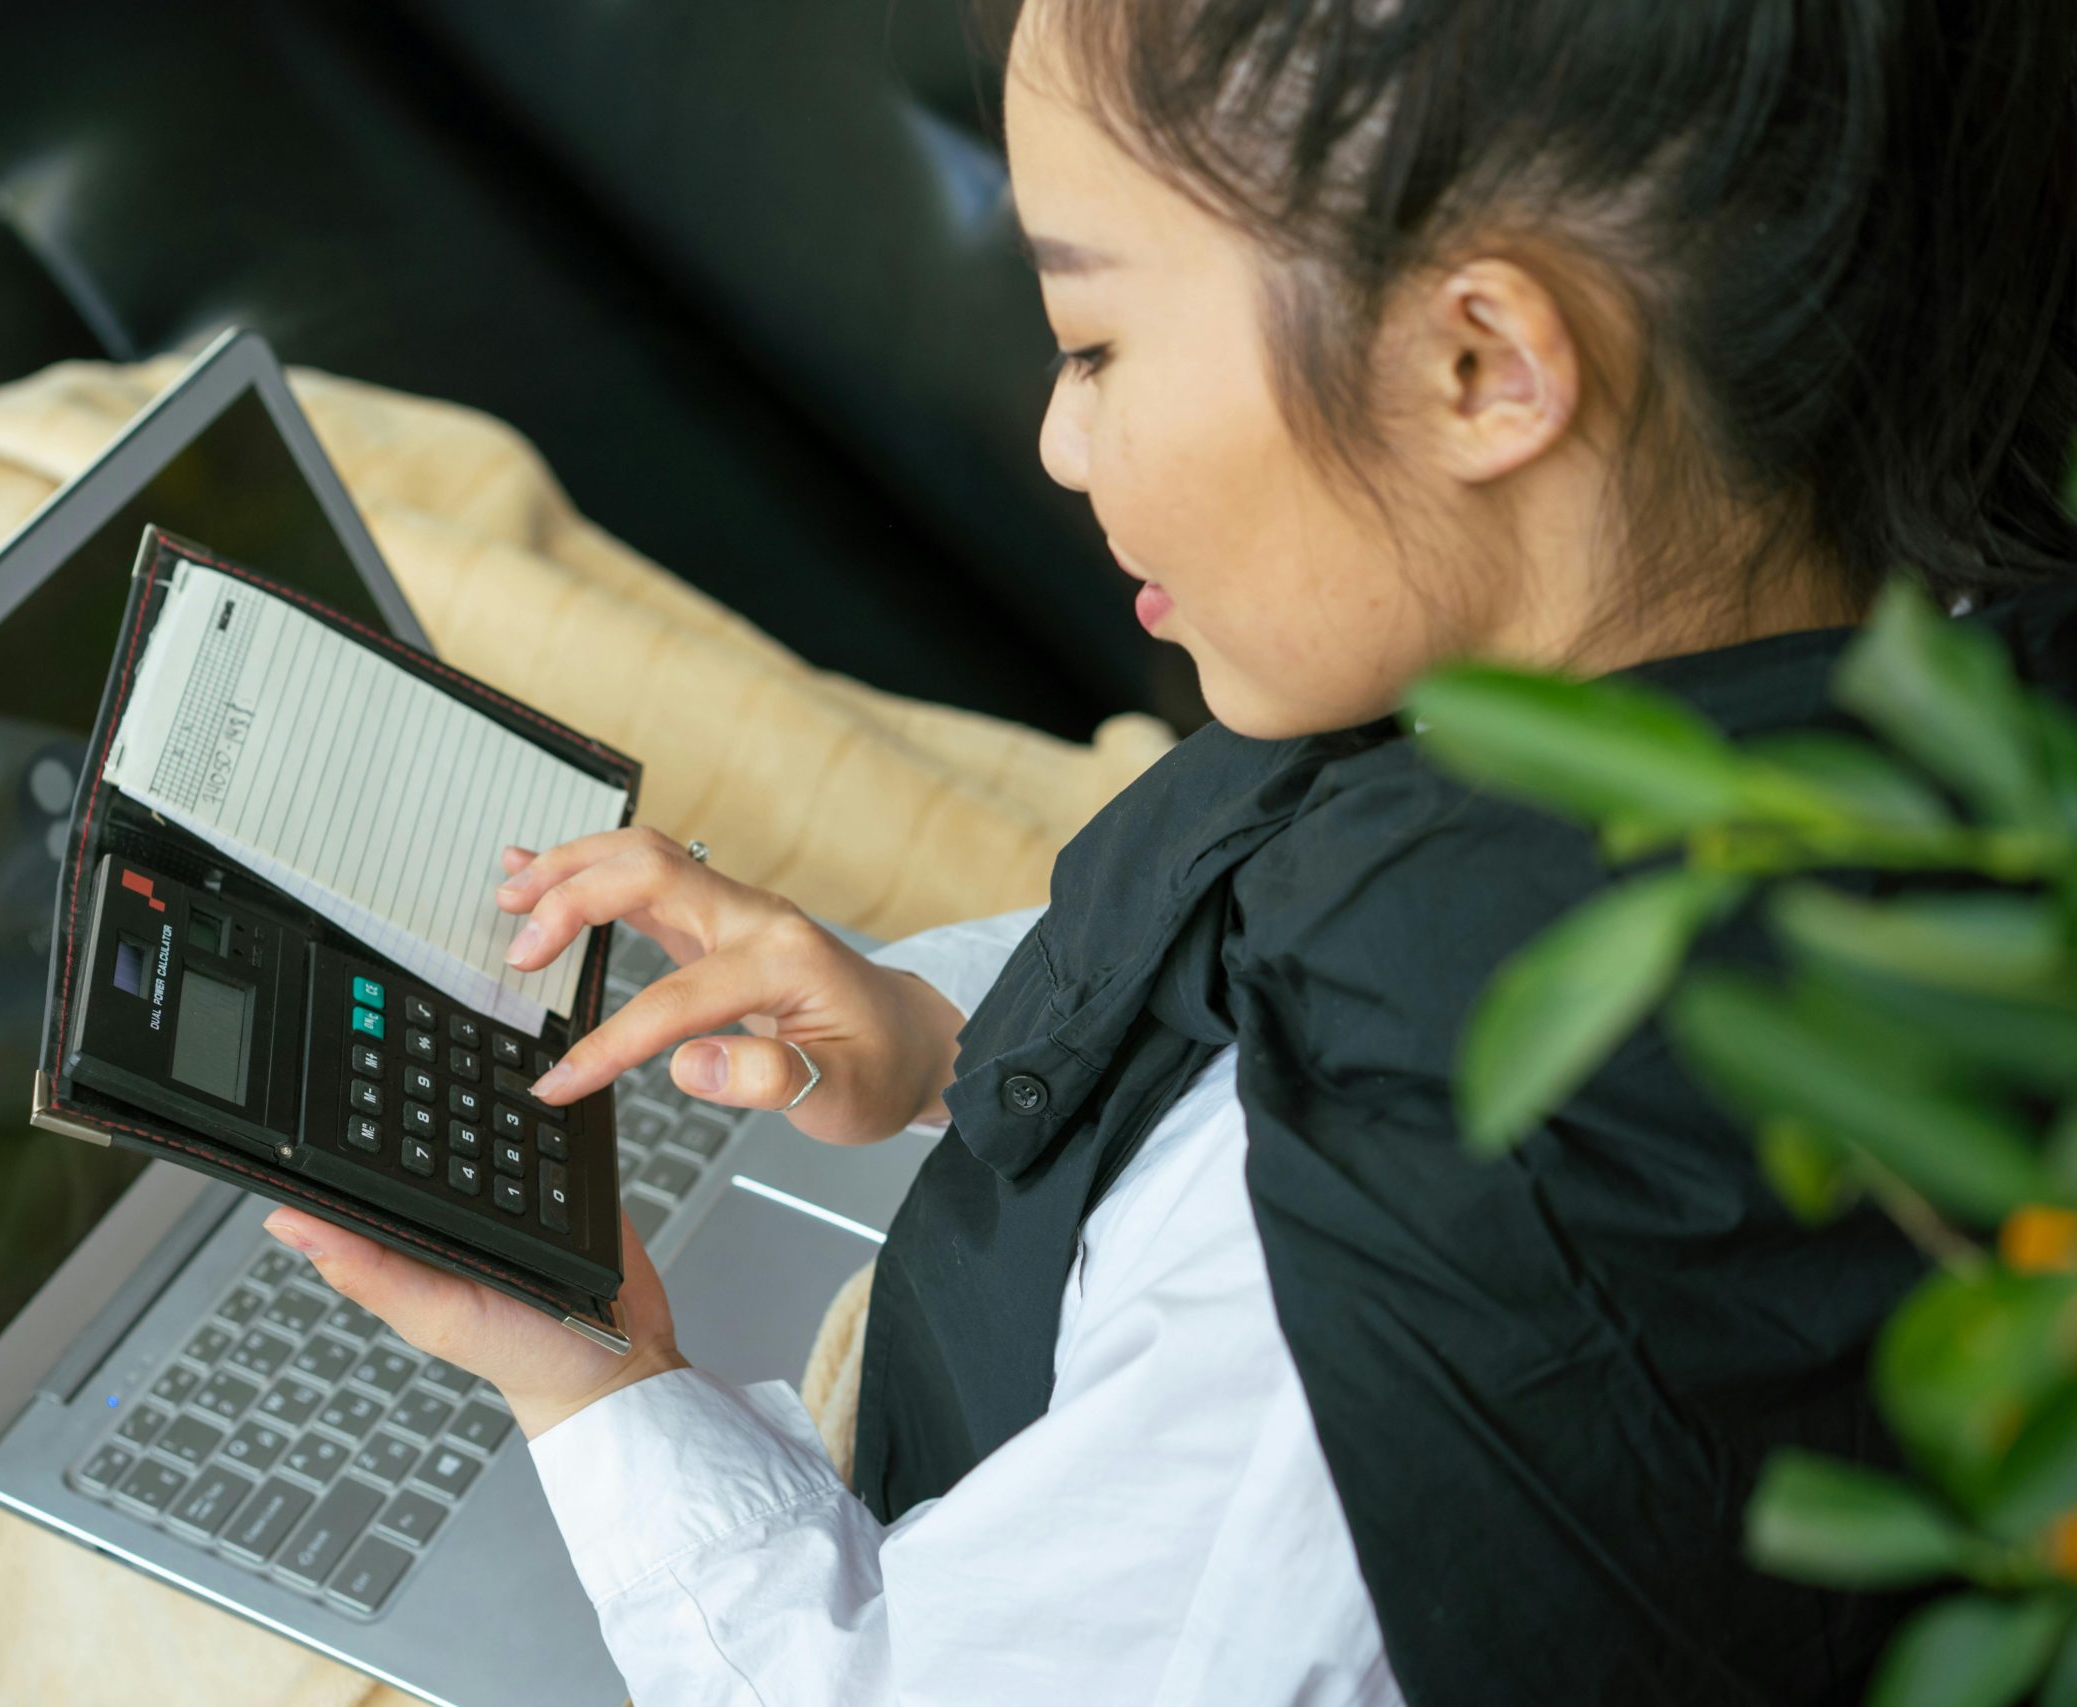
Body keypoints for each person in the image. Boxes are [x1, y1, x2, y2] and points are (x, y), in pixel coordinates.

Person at [261, 0, 2077, 1700]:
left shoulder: (1367, 1285)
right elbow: (1246, 991)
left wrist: (592, 1373)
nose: (1061, 439)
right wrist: (945, 1037)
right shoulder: (1911, 653)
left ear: (1478, 367)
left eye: (1095, 343)